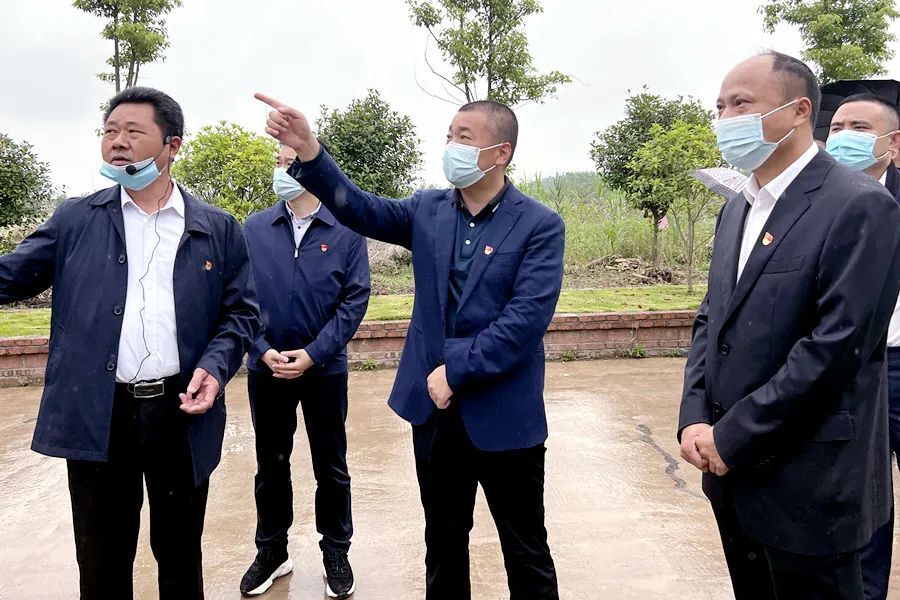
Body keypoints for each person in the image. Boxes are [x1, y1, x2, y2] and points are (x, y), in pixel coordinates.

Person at [255, 92, 563, 600]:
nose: (451, 145)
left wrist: (454, 370)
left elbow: (525, 321)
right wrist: (309, 150)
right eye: (449, 135)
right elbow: (358, 208)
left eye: (464, 137)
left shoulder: (539, 225)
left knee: (526, 548)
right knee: (443, 541)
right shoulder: (427, 210)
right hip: (434, 414)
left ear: (500, 152)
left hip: (504, 415)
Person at [0, 86, 259, 599]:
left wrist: (215, 365)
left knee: (180, 554)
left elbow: (241, 314)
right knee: (100, 558)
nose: (117, 142)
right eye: (110, 131)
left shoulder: (217, 229)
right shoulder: (76, 219)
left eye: (133, 131)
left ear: (172, 146)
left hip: (179, 412)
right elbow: (10, 276)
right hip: (100, 414)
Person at [678, 52, 900, 599]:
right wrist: (694, 416)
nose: (726, 119)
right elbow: (712, 318)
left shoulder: (859, 205)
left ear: (799, 110)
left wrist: (732, 435)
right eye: (720, 107)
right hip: (730, 472)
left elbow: (837, 346)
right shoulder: (738, 208)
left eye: (741, 104)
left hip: (808, 479)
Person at [238, 144, 370, 598]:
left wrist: (315, 353)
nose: (281, 169)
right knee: (270, 465)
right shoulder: (255, 228)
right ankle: (272, 551)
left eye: (290, 162)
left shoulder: (346, 229)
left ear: (313, 167)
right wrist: (261, 350)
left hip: (324, 370)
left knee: (330, 466)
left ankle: (336, 550)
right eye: (277, 162)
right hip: (267, 369)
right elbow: (239, 297)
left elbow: (354, 300)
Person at [826, 93, 900, 600]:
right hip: (848, 368)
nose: (843, 137)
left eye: (858, 127)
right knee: (865, 496)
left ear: (892, 144)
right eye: (837, 127)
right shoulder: (817, 201)